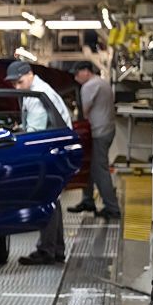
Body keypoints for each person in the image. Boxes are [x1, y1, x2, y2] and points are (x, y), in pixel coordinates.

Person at [4, 61, 72, 266]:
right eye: (14, 84)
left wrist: (14, 139)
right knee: (53, 198)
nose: (17, 87)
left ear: (30, 74)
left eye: (19, 81)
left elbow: (35, 132)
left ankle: (46, 250)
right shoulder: (38, 90)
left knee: (45, 197)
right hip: (58, 148)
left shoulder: (37, 96)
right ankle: (56, 249)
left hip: (51, 151)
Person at [67, 61, 120, 220]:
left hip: (99, 133)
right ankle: (88, 200)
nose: (76, 78)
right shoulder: (101, 82)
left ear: (86, 71)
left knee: (99, 170)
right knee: (90, 165)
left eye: (77, 74)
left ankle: (112, 208)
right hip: (106, 130)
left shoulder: (89, 86)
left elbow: (84, 110)